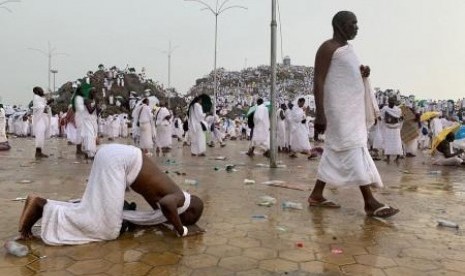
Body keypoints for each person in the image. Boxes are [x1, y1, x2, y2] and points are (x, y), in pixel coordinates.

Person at [18, 143, 204, 245]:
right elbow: (167, 206)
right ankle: (42, 206)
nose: (183, 221)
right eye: (188, 220)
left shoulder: (170, 192)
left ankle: (39, 205)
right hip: (119, 162)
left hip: (114, 155)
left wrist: (165, 221)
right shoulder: (179, 197)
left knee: (93, 207)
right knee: (107, 229)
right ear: (190, 211)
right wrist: (182, 230)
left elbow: (160, 209)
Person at [308, 11, 399, 218]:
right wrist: (320, 114)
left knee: (336, 149)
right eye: (353, 23)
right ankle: (369, 202)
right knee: (352, 148)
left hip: (351, 111)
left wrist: (363, 73)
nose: (356, 27)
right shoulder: (328, 47)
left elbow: (346, 76)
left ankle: (316, 194)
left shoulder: (348, 50)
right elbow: (319, 80)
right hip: (338, 112)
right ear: (340, 25)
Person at [380, 96, 404, 162]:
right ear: (388, 102)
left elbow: (401, 118)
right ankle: (388, 157)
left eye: (393, 102)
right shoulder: (385, 109)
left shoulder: (398, 110)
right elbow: (382, 117)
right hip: (388, 128)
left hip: (396, 128)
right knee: (388, 142)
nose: (391, 103)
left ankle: (397, 157)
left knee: (397, 143)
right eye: (390, 102)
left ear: (395, 102)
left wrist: (400, 119)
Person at [32, 87, 52, 158]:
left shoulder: (41, 98)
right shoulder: (36, 97)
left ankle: (39, 152)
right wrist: (46, 105)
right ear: (37, 91)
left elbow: (45, 104)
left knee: (42, 135)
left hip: (43, 117)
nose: (42, 90)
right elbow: (40, 107)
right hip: (39, 118)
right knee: (40, 134)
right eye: (40, 89)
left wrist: (48, 102)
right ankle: (38, 153)